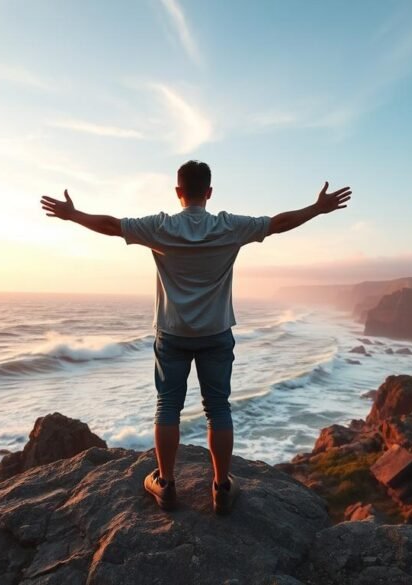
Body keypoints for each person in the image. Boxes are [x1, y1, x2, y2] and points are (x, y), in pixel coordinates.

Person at [40, 160, 350, 515]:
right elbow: (278, 224)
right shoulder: (229, 226)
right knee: (218, 408)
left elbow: (111, 226)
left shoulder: (161, 227)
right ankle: (220, 486)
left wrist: (73, 214)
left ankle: (166, 484)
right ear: (209, 192)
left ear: (178, 192)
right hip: (216, 333)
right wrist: (317, 208)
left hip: (171, 333)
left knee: (167, 406)